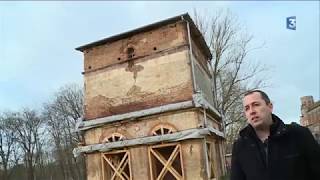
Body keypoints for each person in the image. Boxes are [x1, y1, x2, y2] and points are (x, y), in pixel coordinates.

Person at [231, 90, 320, 180]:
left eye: (256, 105)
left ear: (270, 107)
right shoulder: (240, 146)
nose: (252, 111)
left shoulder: (299, 134)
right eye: (247, 108)